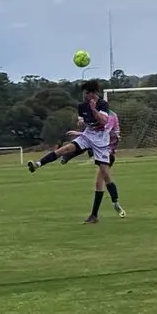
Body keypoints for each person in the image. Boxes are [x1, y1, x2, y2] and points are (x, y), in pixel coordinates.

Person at [27, 82, 123, 222]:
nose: (84, 95)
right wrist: (80, 124)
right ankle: (37, 164)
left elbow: (102, 122)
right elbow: (83, 120)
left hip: (102, 143)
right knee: (64, 149)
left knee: (104, 178)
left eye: (86, 93)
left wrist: (93, 110)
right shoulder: (81, 106)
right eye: (83, 93)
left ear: (93, 94)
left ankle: (115, 203)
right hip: (87, 136)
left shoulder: (103, 105)